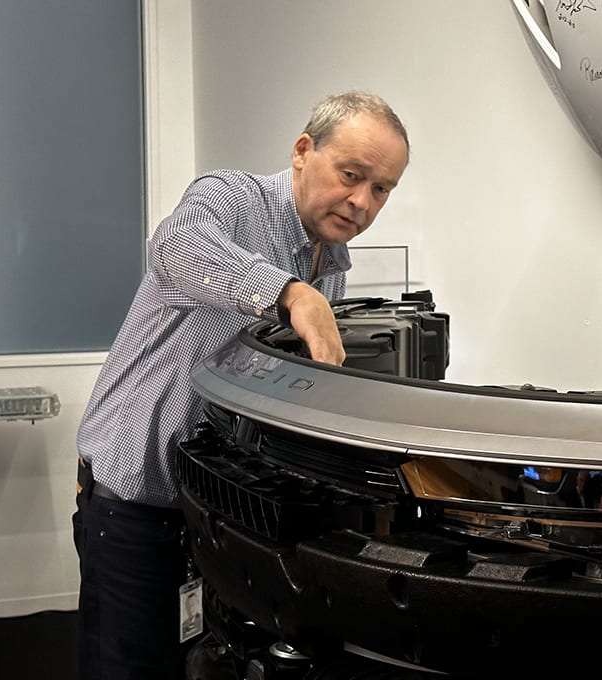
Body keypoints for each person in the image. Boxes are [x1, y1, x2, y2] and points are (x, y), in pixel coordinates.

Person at [72, 91, 410, 679]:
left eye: (381, 189)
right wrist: (289, 294)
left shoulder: (331, 268)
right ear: (303, 151)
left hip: (212, 516)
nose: (362, 202)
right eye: (351, 175)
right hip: (131, 507)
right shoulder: (231, 197)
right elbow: (175, 247)